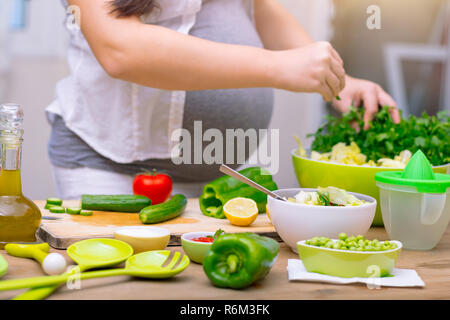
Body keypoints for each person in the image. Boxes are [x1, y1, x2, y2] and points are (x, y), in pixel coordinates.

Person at [48, 0, 400, 199]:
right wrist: (277, 66)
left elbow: (257, 8)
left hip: (222, 179)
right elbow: (118, 49)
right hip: (116, 174)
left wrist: (339, 81)